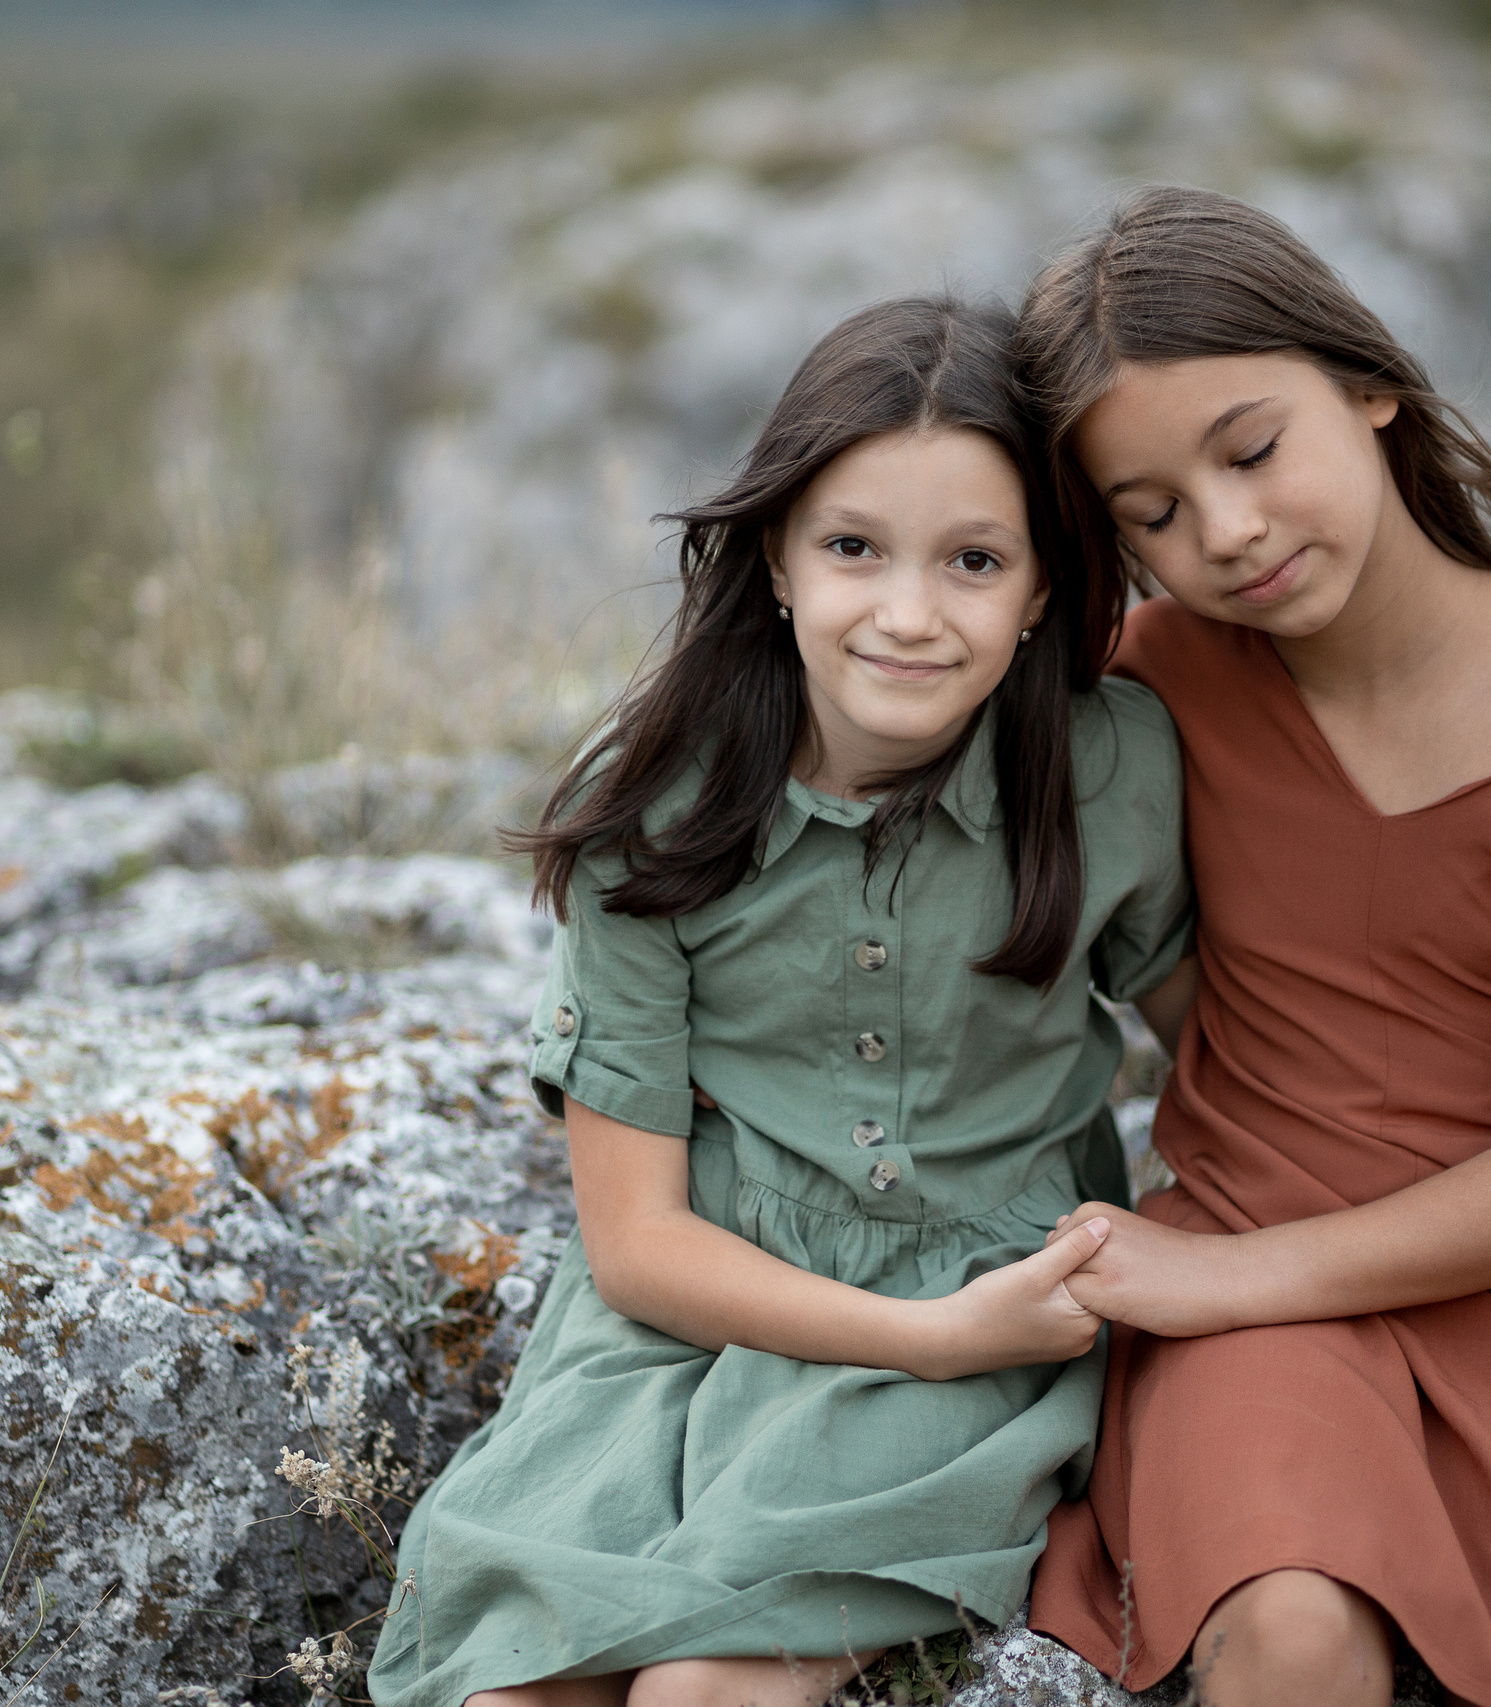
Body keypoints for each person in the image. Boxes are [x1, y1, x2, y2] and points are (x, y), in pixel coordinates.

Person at [364, 296, 1195, 1707]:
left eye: (975, 560)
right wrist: (940, 1335)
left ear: (1045, 586)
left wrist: (1140, 1282)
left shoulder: (1108, 773)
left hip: (979, 1296)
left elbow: (1229, 1064)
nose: (909, 613)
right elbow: (636, 1247)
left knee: (708, 1690)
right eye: (854, 547)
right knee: (515, 1683)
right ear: (778, 559)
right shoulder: (657, 811)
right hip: (701, 1310)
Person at [1015, 185, 1491, 1707]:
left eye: (1252, 450)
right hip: (1243, 1280)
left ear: (1368, 385)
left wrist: (1235, 1282)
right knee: (1292, 1632)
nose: (1223, 534)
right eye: (1149, 514)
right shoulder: (1145, 685)